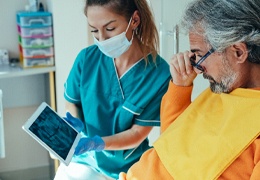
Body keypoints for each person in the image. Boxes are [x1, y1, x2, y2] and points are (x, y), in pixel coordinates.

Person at [119, 0, 260, 179]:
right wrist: (180, 87)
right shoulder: (224, 88)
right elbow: (171, 143)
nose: (197, 67)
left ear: (238, 52)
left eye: (200, 56)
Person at [54, 0, 171, 179]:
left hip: (128, 166)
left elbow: (137, 133)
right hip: (85, 160)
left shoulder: (159, 73)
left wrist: (97, 143)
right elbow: (72, 102)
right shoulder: (86, 59)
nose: (102, 38)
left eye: (109, 29)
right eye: (94, 30)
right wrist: (74, 123)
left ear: (135, 20)